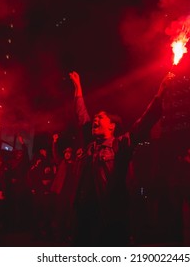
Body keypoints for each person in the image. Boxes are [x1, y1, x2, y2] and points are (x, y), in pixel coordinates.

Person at [68, 70, 173, 246]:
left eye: (100, 117)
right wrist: (78, 87)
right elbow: (81, 115)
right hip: (83, 215)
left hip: (108, 214)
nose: (95, 119)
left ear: (112, 126)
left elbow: (143, 123)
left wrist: (160, 93)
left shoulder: (121, 145)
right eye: (95, 117)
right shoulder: (90, 146)